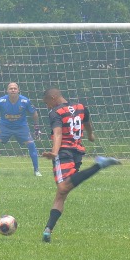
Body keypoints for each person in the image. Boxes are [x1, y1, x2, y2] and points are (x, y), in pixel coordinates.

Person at [40, 87, 120, 243]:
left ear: (54, 97)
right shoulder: (81, 107)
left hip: (64, 153)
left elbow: (58, 133)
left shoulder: (55, 112)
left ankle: (99, 165)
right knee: (61, 194)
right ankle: (47, 231)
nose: (48, 107)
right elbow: (87, 121)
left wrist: (54, 152)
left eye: (47, 103)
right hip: (77, 153)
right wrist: (90, 134)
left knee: (63, 187)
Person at [0, 82, 43, 176]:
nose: (13, 90)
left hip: (21, 127)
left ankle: (36, 170)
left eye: (15, 88)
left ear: (18, 90)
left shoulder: (25, 101)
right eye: (11, 88)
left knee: (31, 144)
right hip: (4, 127)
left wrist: (36, 128)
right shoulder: (1, 101)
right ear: (7, 90)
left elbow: (34, 113)